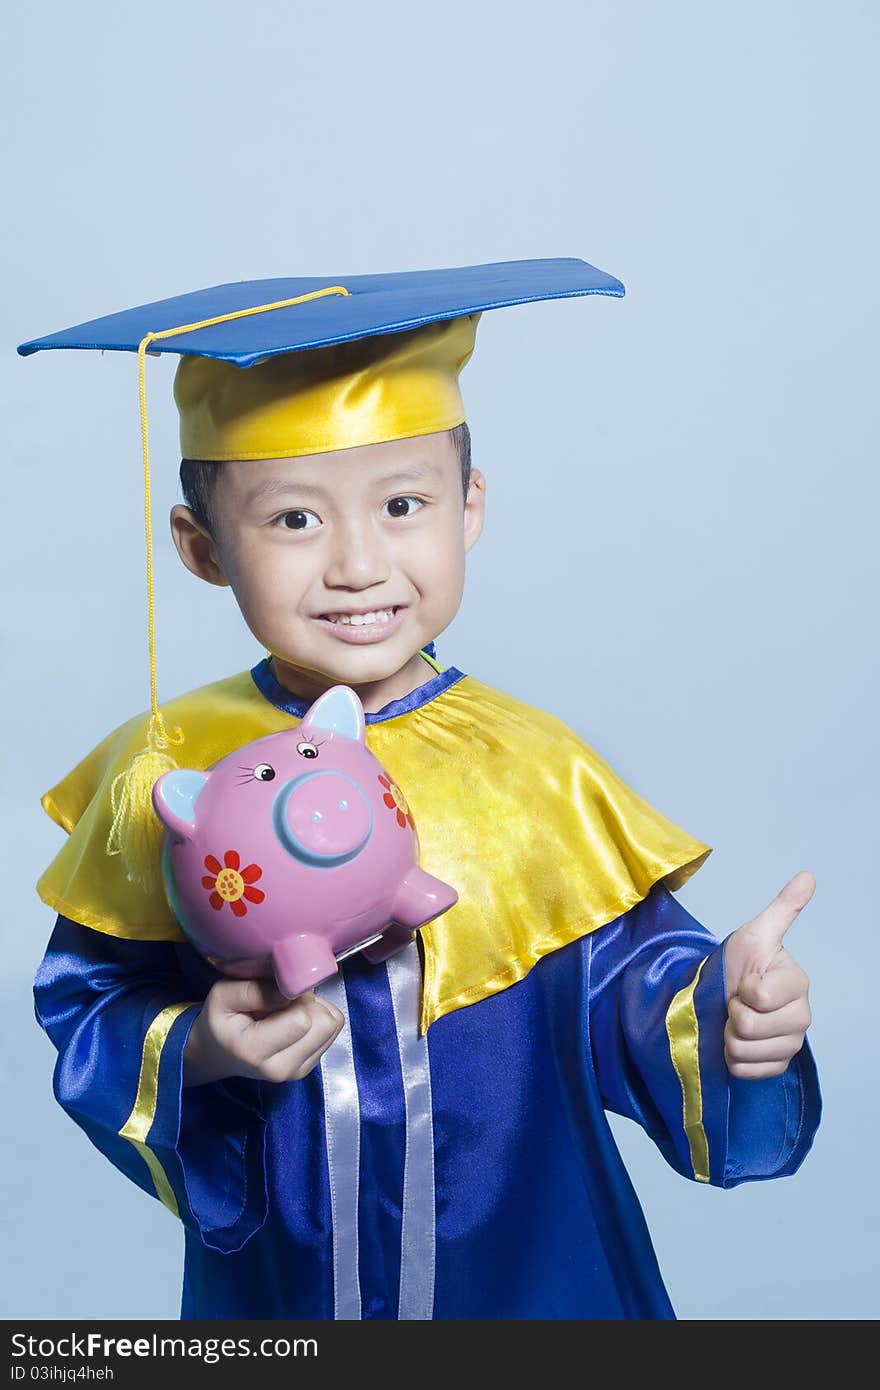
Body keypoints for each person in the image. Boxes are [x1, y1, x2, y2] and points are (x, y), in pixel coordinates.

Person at [23, 261, 820, 1320]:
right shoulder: (166, 764)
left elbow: (629, 983)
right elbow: (89, 1000)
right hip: (286, 1281)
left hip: (529, 1260)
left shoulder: (527, 767)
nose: (358, 563)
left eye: (403, 504)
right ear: (203, 548)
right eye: (295, 521)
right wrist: (204, 1047)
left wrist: (724, 1015)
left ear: (469, 508)